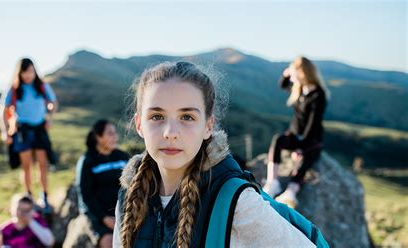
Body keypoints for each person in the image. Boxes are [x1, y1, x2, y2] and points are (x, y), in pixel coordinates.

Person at [112, 61, 315, 247]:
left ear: (208, 126)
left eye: (187, 117)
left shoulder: (235, 201)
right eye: (157, 116)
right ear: (139, 124)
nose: (170, 133)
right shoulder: (130, 194)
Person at [263, 56, 329, 207]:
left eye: (294, 73)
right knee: (278, 140)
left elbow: (312, 125)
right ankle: (272, 183)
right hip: (294, 134)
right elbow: (283, 85)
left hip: (312, 138)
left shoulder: (318, 95)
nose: (292, 77)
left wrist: (301, 147)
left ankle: (291, 192)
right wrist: (286, 74)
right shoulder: (300, 90)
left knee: (306, 160)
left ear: (302, 72)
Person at [0, 58, 57, 209]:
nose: (28, 75)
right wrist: (5, 131)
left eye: (31, 71)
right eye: (25, 72)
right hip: (22, 130)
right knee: (27, 166)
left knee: (43, 164)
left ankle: (44, 195)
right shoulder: (14, 89)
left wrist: (50, 117)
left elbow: (53, 103)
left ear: (34, 71)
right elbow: (3, 111)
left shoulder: (41, 86)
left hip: (39, 129)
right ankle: (29, 195)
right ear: (20, 72)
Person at [76, 119, 129, 248]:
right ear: (98, 137)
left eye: (115, 133)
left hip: (123, 212)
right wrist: (104, 218)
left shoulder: (122, 157)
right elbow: (85, 194)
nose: (115, 137)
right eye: (110, 133)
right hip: (99, 215)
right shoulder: (88, 160)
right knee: (109, 241)